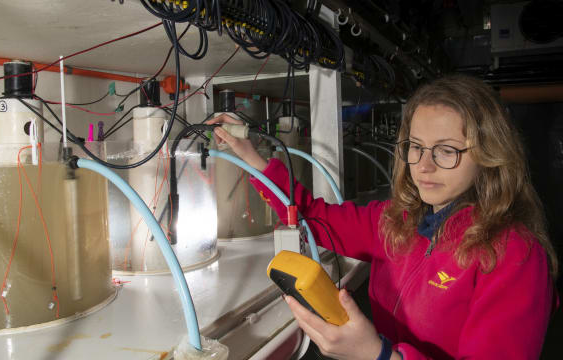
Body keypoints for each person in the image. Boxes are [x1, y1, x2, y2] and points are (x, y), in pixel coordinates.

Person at [208, 75, 558, 360]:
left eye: (447, 150)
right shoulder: (396, 223)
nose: (424, 164)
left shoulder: (514, 255)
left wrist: (378, 355)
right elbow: (312, 217)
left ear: (488, 154)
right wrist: (249, 155)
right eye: (416, 146)